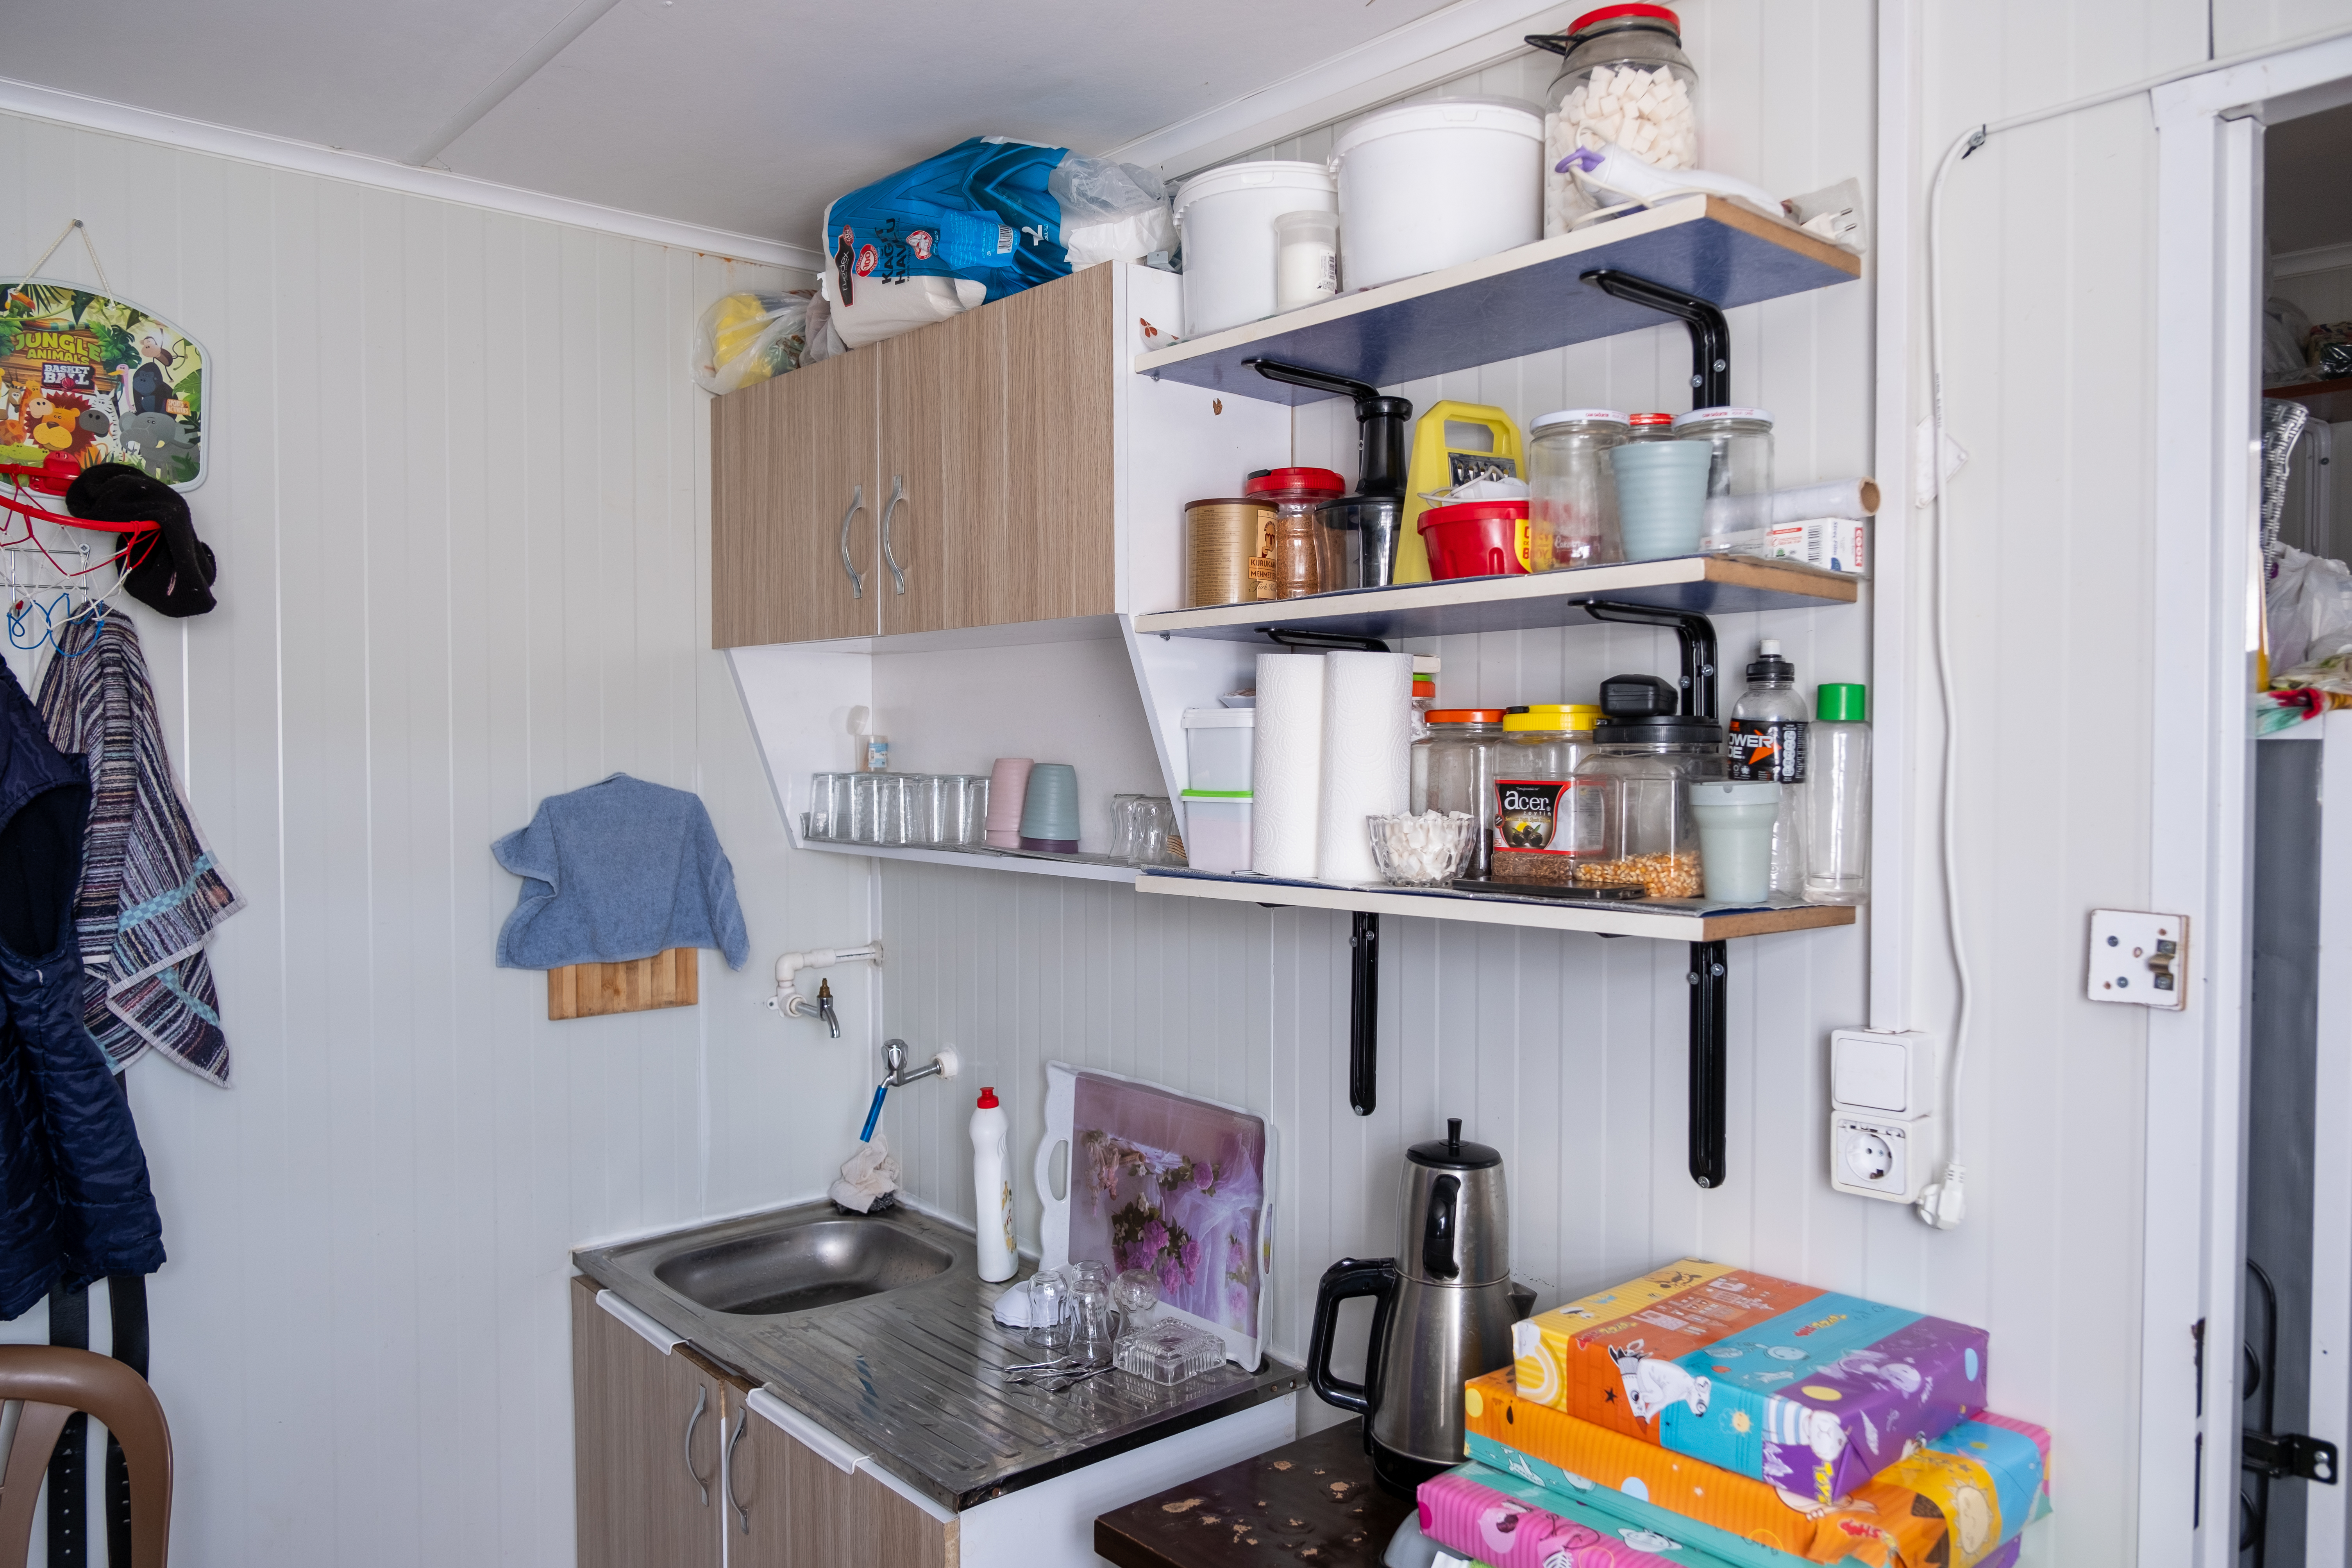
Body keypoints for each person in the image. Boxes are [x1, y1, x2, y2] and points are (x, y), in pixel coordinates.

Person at [125, 323, 186, 418]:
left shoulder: (161, 388)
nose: (142, 380)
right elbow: (137, 400)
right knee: (146, 402)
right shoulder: (137, 383)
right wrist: (139, 412)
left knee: (149, 402)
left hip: (167, 409)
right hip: (151, 407)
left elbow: (160, 403)